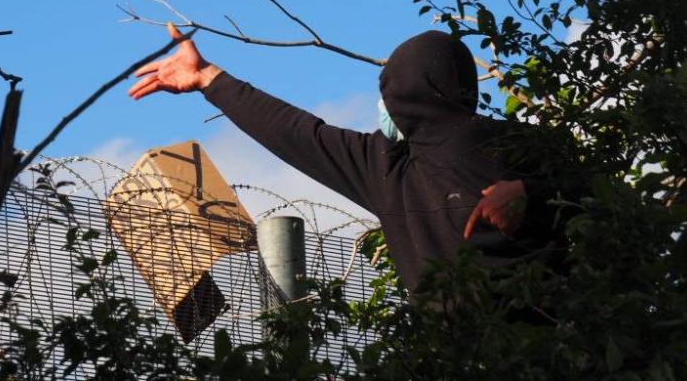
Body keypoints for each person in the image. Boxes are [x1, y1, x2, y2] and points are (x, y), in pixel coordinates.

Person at [129, 24, 563, 293]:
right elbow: (600, 194)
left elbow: (296, 134)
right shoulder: (398, 163)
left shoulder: (389, 168)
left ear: (397, 91)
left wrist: (209, 79)